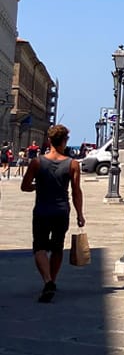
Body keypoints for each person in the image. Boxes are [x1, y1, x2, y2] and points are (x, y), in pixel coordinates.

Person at [20, 124, 85, 303]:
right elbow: (76, 192)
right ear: (65, 141)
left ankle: (47, 281)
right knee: (57, 248)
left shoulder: (37, 162)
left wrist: (37, 186)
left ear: (49, 140)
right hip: (61, 210)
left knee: (39, 248)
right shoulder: (72, 164)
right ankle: (52, 281)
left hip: (42, 210)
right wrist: (80, 214)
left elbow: (25, 186)